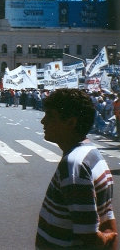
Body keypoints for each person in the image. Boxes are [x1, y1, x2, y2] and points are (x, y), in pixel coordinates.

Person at [36, 88, 118, 249]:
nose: (43, 121)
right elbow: (107, 215)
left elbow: (90, 237)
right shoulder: (91, 153)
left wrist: (107, 239)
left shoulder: (74, 164)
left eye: (51, 116)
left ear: (71, 123)